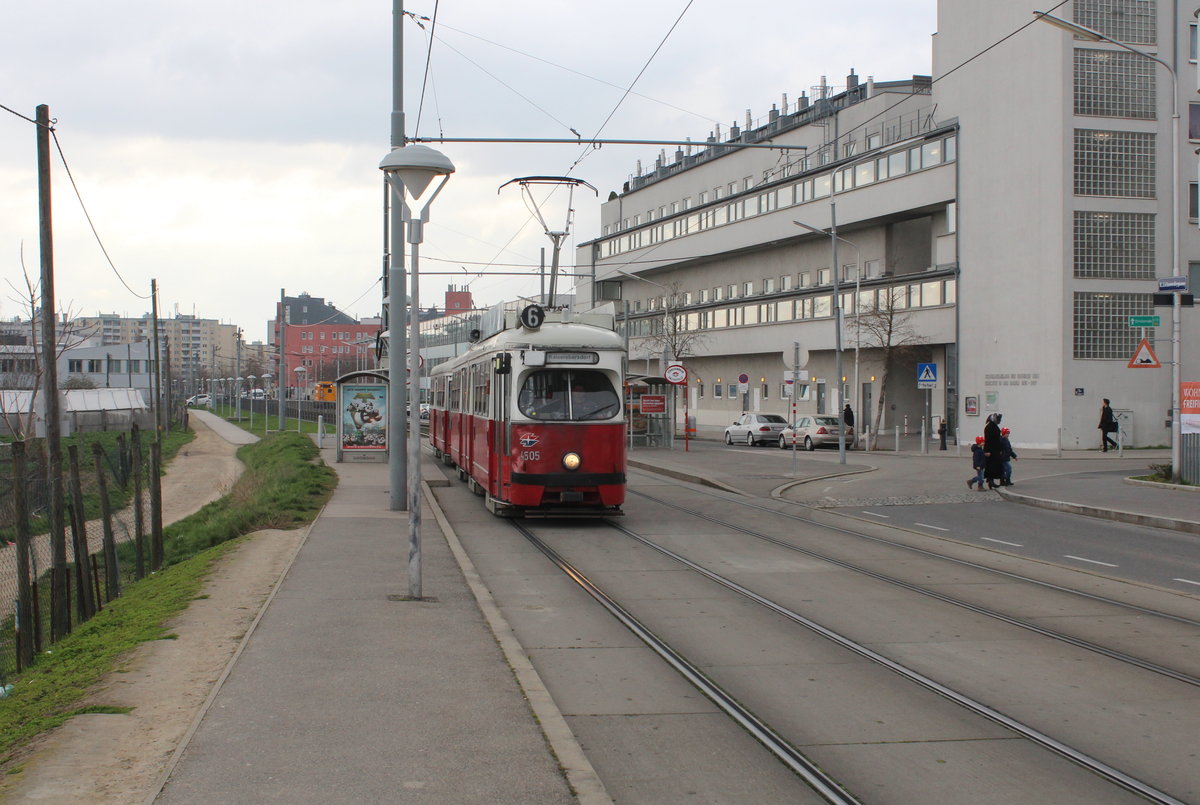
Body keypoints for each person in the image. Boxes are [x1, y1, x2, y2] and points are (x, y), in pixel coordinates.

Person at [982, 412, 1004, 490]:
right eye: (998, 419)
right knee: (991, 466)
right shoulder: (989, 427)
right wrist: (986, 451)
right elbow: (987, 440)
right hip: (991, 450)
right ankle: (990, 481)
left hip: (996, 450)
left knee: (996, 466)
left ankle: (993, 481)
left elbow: (998, 439)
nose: (999, 421)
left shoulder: (994, 426)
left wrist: (1000, 449)